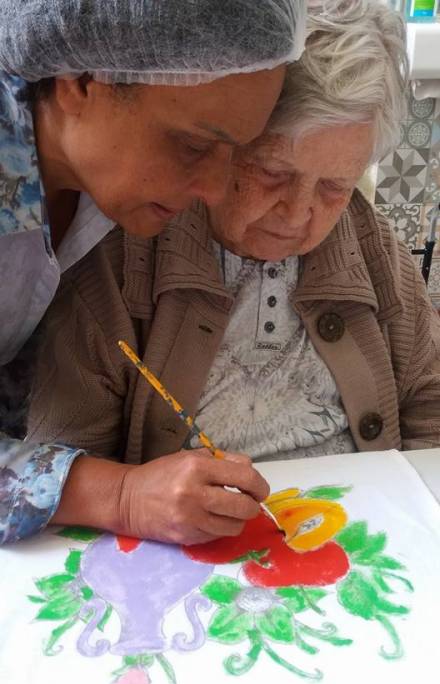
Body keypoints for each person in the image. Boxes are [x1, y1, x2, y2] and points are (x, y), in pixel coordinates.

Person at [25, 0, 440, 547]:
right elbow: (60, 459)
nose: (298, 215)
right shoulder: (124, 246)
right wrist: (130, 496)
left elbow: (429, 400)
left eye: (335, 187)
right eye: (270, 172)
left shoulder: (367, 242)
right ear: (225, 137)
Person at [0, 0, 306, 546]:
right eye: (192, 144)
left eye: (234, 151)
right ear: (80, 80)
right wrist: (120, 496)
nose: (214, 191)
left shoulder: (100, 183)